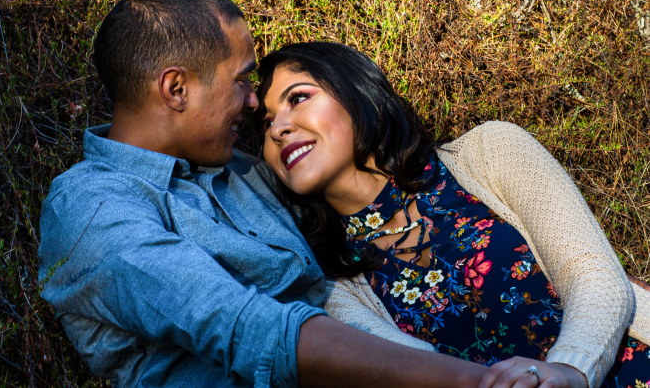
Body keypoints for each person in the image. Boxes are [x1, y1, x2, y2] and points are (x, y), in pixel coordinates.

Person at [37, 0, 512, 388]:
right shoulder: (91, 207)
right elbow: (245, 327)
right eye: (243, 80)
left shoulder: (243, 171)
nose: (252, 102)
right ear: (176, 89)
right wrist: (477, 381)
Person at [256, 42, 650, 388]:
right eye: (267, 122)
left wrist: (571, 369)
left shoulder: (489, 153)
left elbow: (591, 270)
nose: (278, 129)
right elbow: (416, 372)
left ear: (355, 89)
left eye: (298, 98)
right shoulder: (333, 285)